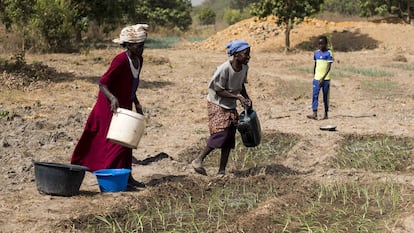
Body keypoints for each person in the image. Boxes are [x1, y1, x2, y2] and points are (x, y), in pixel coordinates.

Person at [71, 24, 148, 188]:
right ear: (128, 45)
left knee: (127, 142)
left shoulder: (139, 60)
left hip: (124, 104)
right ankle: (112, 179)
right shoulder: (120, 60)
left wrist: (137, 103)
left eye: (143, 45)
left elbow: (131, 85)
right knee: (116, 143)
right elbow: (103, 83)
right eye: (139, 46)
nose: (142, 49)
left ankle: (128, 177)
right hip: (109, 106)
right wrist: (112, 98)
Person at [191, 40, 252, 176]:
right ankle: (198, 160)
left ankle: (222, 170)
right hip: (217, 103)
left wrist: (246, 97)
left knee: (229, 136)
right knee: (221, 133)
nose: (248, 57)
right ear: (236, 55)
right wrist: (237, 97)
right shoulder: (224, 69)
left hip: (230, 103)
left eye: (249, 54)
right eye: (245, 54)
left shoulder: (244, 68)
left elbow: (241, 85)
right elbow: (218, 90)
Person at [307, 35, 334, 120]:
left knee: (325, 96)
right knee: (315, 95)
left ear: (326, 44)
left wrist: (323, 77)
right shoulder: (316, 53)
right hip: (316, 78)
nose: (320, 46)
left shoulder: (329, 53)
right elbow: (316, 65)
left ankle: (326, 113)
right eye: (319, 44)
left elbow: (329, 67)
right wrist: (315, 76)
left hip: (325, 79)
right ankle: (314, 113)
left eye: (322, 44)